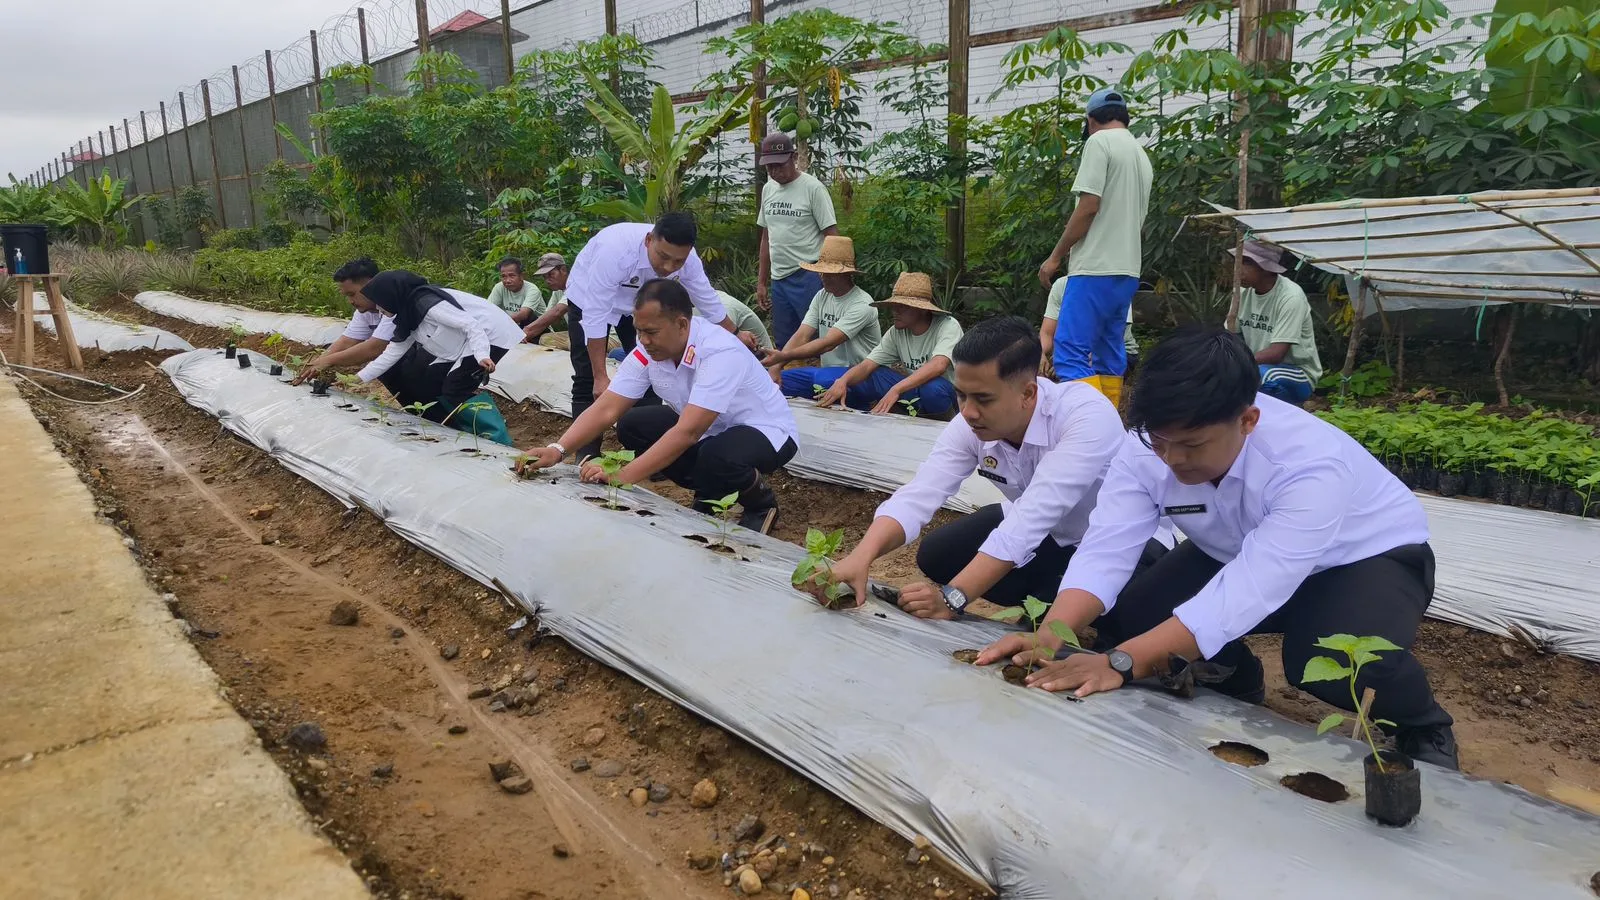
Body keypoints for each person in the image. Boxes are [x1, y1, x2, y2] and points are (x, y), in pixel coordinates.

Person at [977, 327, 1459, 770]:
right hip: (1234, 546)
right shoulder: (1145, 447)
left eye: (1192, 445)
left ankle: (1424, 725)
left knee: (1330, 666)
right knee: (1135, 618)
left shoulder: (1308, 465)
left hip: (1363, 558)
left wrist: (1119, 663)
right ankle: (1234, 675)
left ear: (1248, 420)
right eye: (1160, 442)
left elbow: (1249, 588)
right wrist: (1051, 634)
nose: (1172, 459)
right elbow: (1106, 548)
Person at [818, 317, 1168, 620]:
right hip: (1049, 538)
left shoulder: (1085, 416)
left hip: (1115, 542)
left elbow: (1033, 516)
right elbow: (920, 494)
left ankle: (1061, 606)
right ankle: (1046, 599)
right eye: (961, 395)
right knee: (940, 554)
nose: (968, 412)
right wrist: (860, 557)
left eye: (983, 399)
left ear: (1028, 394)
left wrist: (953, 598)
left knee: (1125, 611)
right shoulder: (970, 424)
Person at [516, 279, 799, 535]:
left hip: (765, 431)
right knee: (634, 425)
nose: (644, 341)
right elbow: (608, 407)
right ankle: (710, 490)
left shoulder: (718, 351)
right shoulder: (648, 351)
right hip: (710, 430)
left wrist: (621, 476)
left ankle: (760, 503)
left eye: (652, 332)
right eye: (639, 331)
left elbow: (688, 432)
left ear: (682, 324)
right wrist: (558, 449)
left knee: (717, 455)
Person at [565, 213, 742, 460]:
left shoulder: (688, 259)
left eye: (678, 261)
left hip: (640, 308)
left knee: (654, 368)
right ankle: (586, 452)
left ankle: (649, 453)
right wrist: (600, 376)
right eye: (663, 257)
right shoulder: (614, 251)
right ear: (649, 240)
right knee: (587, 378)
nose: (668, 267)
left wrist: (735, 334)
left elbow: (705, 297)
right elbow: (595, 315)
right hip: (588, 299)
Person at [1037, 86, 1152, 407]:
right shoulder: (1140, 155)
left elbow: (1089, 206)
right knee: (1107, 350)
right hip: (1127, 271)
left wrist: (1055, 257)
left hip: (1095, 268)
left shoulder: (1099, 142)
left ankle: (1086, 423)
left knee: (1070, 351)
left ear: (1090, 121)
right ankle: (1110, 419)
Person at [355, 270, 523, 444]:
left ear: (391, 296)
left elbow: (471, 326)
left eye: (380, 302)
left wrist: (481, 355)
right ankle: (455, 429)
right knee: (431, 379)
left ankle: (497, 439)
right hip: (465, 341)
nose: (378, 308)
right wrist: (357, 379)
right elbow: (392, 353)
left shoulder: (428, 304)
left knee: (456, 387)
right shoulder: (408, 314)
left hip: (489, 334)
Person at [292, 258, 443, 407]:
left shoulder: (394, 306)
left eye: (352, 294)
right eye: (346, 296)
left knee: (402, 364)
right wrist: (317, 363)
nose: (350, 301)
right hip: (406, 361)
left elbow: (376, 348)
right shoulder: (365, 312)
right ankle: (419, 410)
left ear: (372, 285)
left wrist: (329, 361)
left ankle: (438, 410)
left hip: (438, 360)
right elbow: (347, 341)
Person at [814, 272, 961, 417]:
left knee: (932, 388)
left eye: (902, 306)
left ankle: (946, 422)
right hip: (916, 390)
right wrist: (843, 381)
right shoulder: (896, 332)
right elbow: (867, 365)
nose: (895, 311)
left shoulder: (947, 326)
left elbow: (938, 365)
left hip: (950, 394)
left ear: (922, 309)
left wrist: (896, 389)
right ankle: (898, 411)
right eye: (894, 305)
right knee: (878, 374)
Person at [760, 236, 881, 397]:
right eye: (822, 272)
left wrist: (783, 356)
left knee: (822, 380)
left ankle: (864, 401)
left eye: (830, 273)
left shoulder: (862, 304)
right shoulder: (822, 295)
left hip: (859, 374)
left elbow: (828, 344)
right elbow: (802, 335)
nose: (824, 277)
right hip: (827, 372)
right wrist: (776, 366)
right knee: (769, 381)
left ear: (846, 275)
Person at [756, 132, 840, 348]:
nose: (775, 171)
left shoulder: (813, 188)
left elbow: (832, 235)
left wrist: (831, 276)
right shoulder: (768, 189)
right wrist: (762, 282)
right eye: (770, 167)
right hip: (779, 278)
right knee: (785, 342)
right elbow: (766, 237)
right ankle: (791, 371)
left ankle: (819, 371)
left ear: (793, 158)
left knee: (816, 338)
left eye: (779, 165)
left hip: (808, 275)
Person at [1230, 241, 1322, 406]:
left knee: (1263, 376)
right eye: (1238, 260)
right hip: (1255, 365)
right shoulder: (1241, 293)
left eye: (1247, 262)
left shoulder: (1290, 296)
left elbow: (1276, 354)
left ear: (1266, 268)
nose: (1238, 268)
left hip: (1296, 372)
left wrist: (1238, 364)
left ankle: (1283, 414)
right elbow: (1233, 336)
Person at [609, 290, 773, 361]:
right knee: (618, 354)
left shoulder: (721, 306)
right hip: (692, 353)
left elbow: (712, 350)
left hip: (755, 361)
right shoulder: (680, 309)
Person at [1039, 276, 1139, 384]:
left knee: (1075, 373)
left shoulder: (1116, 283)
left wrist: (1071, 358)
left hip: (1116, 351)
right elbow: (1047, 333)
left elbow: (1112, 339)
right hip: (1075, 350)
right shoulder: (1062, 284)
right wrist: (1039, 353)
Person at [520, 252, 571, 343]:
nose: (547, 280)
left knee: (573, 342)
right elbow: (548, 316)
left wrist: (527, 330)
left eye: (551, 274)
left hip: (593, 334)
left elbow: (557, 311)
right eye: (544, 277)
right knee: (544, 339)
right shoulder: (558, 291)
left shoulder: (576, 285)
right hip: (575, 333)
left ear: (563, 270)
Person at [487, 257, 547, 327]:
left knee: (529, 316)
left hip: (539, 328)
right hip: (514, 327)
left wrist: (499, 322)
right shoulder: (499, 287)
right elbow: (488, 309)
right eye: (503, 276)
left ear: (521, 276)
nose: (507, 280)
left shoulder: (532, 290)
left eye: (512, 275)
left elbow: (523, 314)